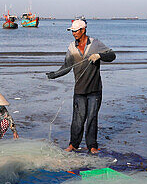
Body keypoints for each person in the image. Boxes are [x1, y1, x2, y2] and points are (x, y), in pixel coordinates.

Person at [46, 19, 115, 154]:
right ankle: (73, 144)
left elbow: (112, 55)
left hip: (95, 90)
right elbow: (67, 66)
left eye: (75, 31)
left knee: (92, 118)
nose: (73, 34)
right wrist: (55, 74)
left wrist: (99, 55)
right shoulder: (72, 47)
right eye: (72, 31)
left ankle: (92, 146)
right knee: (78, 119)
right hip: (79, 90)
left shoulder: (96, 44)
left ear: (83, 30)